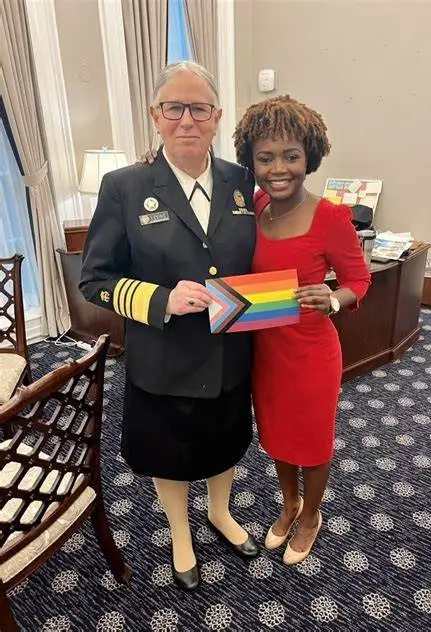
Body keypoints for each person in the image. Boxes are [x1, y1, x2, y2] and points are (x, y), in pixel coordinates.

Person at [79, 61, 259, 592]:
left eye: (199, 108)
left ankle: (220, 512)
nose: (187, 120)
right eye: (174, 108)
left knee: (225, 442)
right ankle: (181, 531)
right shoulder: (124, 187)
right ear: (154, 116)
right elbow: (95, 280)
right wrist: (161, 299)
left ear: (217, 117)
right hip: (163, 357)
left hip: (229, 353)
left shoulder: (241, 181)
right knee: (171, 452)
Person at [233, 95, 371, 565]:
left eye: (291, 156)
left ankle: (311, 515)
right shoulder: (254, 207)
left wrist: (332, 299)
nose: (278, 169)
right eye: (265, 158)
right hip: (265, 349)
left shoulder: (329, 217)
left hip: (311, 352)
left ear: (309, 156)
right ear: (251, 162)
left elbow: (359, 280)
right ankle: (289, 503)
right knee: (276, 435)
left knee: (311, 440)